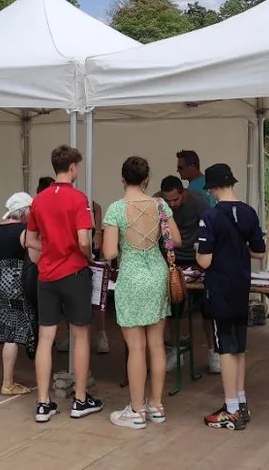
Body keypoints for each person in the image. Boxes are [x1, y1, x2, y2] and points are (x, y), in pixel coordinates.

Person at [102, 157, 182, 429]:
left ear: (122, 179)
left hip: (132, 276)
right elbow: (177, 239)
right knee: (157, 344)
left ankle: (136, 410)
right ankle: (156, 405)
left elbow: (110, 253)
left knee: (135, 347)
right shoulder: (160, 205)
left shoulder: (115, 209)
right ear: (147, 180)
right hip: (158, 274)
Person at [26, 145, 104, 422]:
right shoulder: (79, 199)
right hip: (74, 272)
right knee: (80, 335)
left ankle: (43, 403)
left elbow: (30, 238)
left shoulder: (39, 199)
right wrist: (88, 256)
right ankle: (80, 399)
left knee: (45, 338)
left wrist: (49, 248)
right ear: (72, 168)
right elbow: (84, 239)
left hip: (46, 274)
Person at [196, 163, 266, 430]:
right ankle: (241, 400)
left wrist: (198, 252)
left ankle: (231, 409)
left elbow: (204, 261)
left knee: (225, 347)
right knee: (239, 346)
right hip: (241, 284)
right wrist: (239, 248)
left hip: (220, 287)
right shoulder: (249, 212)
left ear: (213, 188)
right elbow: (259, 252)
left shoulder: (210, 217)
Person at [41, 176, 110, 356]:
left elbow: (96, 210)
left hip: (81, 257)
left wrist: (97, 233)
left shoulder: (80, 199)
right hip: (67, 261)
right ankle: (73, 336)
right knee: (69, 303)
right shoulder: (50, 202)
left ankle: (101, 335)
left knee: (96, 298)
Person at [0, 192, 38, 396]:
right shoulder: (24, 231)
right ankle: (8, 383)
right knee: (13, 331)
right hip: (14, 279)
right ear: (24, 212)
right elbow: (34, 257)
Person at [159, 175, 218, 373]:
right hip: (173, 261)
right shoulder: (157, 202)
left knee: (207, 309)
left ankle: (213, 352)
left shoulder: (200, 201)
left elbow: (212, 228)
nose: (172, 204)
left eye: (175, 199)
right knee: (173, 308)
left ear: (183, 192)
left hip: (197, 260)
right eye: (168, 201)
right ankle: (177, 351)